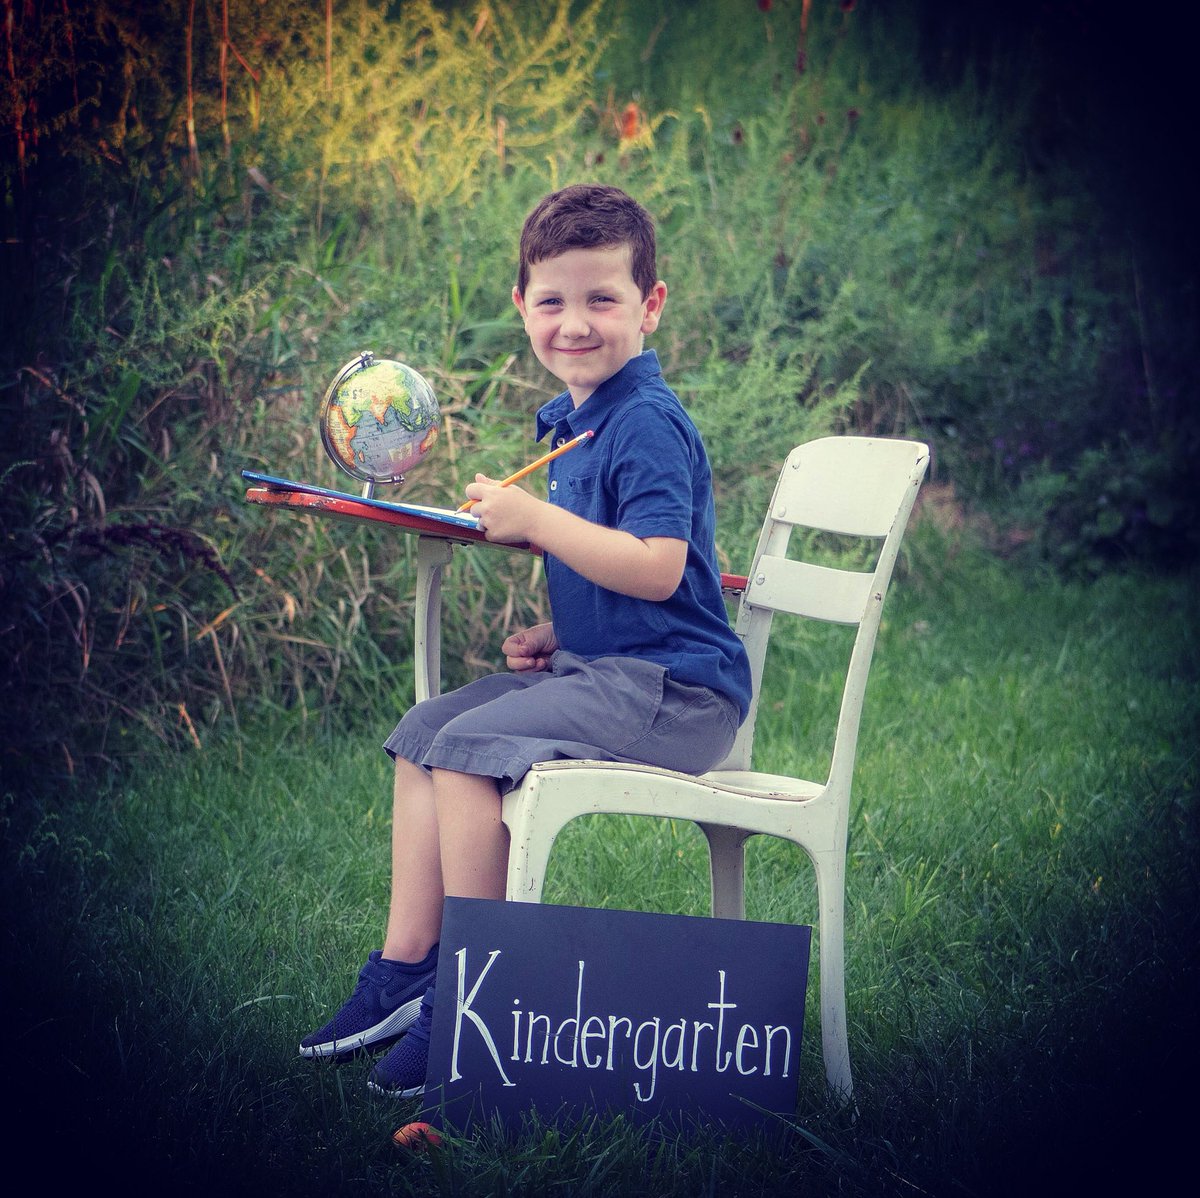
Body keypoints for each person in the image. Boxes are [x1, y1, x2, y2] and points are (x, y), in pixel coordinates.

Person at [298, 183, 752, 1098]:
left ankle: (478, 994)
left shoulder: (645, 422)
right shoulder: (577, 421)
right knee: (425, 730)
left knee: (467, 750)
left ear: (650, 306)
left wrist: (538, 523)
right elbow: (627, 571)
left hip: (678, 695)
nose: (574, 324)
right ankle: (408, 966)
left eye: (602, 299)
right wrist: (568, 627)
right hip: (618, 669)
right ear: (521, 306)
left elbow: (662, 567)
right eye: (552, 301)